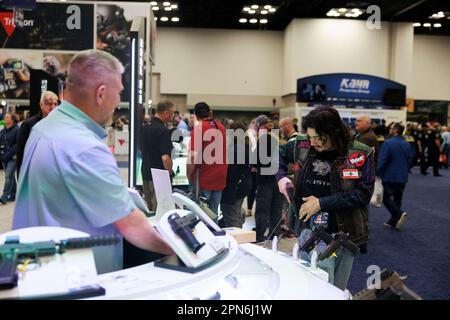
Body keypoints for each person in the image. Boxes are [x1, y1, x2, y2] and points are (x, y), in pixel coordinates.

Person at [12, 50, 173, 274]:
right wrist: (182, 250)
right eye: (118, 94)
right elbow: (133, 226)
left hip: (37, 270)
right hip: (74, 278)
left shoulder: (43, 129)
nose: (117, 102)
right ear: (101, 94)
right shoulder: (85, 147)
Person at [277, 106, 375, 290]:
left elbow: (363, 194)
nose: (312, 142)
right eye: (310, 136)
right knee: (311, 285)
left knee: (335, 289)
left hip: (344, 233)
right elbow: (277, 155)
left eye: (317, 138)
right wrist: (281, 177)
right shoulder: (303, 143)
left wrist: (321, 203)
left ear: (333, 133)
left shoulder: (360, 153)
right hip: (308, 229)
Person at [187, 102, 227, 214]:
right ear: (210, 113)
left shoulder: (199, 128)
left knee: (200, 213)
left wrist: (188, 174)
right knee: (213, 213)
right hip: (220, 177)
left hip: (204, 177)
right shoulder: (222, 127)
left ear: (195, 115)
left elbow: (193, 155)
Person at [141, 100, 175, 211]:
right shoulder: (163, 131)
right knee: (160, 211)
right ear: (166, 113)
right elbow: (165, 158)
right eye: (172, 113)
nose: (172, 116)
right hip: (159, 176)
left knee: (149, 209)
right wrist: (169, 173)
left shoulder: (145, 128)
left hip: (146, 172)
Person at [253, 114, 284, 242]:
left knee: (262, 208)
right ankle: (274, 235)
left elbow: (257, 160)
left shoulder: (264, 139)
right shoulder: (280, 138)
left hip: (266, 179)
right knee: (276, 208)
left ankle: (259, 235)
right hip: (279, 178)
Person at [377, 123, 412, 230]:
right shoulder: (406, 143)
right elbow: (410, 159)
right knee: (398, 198)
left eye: (391, 128)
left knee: (385, 197)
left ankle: (398, 214)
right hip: (403, 176)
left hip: (390, 176)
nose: (389, 130)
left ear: (395, 130)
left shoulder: (388, 143)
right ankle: (393, 221)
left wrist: (377, 173)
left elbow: (382, 161)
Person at [16, 91, 59, 176]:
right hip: (34, 173)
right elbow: (21, 153)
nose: (53, 107)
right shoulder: (28, 125)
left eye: (55, 104)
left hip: (54, 173)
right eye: (49, 104)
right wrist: (20, 177)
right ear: (41, 105)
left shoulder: (61, 124)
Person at [220, 122, 252, 228]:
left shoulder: (235, 148)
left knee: (231, 216)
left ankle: (238, 240)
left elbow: (231, 172)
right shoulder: (246, 146)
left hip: (234, 187)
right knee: (236, 213)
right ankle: (241, 238)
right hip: (243, 184)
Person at [354, 115, 380, 207]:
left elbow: (354, 155)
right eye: (356, 120)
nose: (356, 122)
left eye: (359, 121)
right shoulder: (363, 134)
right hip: (363, 172)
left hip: (363, 173)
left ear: (367, 124)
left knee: (360, 203)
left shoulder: (367, 137)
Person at [0, 112, 20, 204]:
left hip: (13, 157)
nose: (5, 118)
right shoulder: (2, 131)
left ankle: (5, 196)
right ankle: (13, 195)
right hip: (3, 157)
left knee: (8, 176)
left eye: (7, 117)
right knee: (10, 176)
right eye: (5, 117)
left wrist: (8, 154)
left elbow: (17, 145)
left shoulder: (17, 129)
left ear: (12, 119)